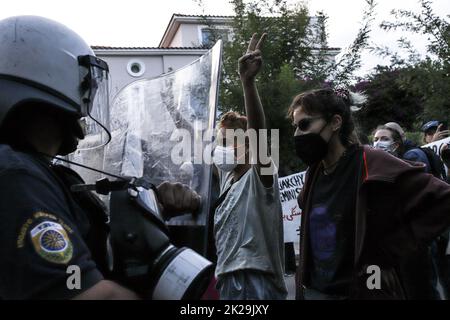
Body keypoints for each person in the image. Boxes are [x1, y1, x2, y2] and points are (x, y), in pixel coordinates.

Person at [0, 16, 201, 300]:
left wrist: (152, 209)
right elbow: (84, 292)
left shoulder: (44, 173)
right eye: (86, 86)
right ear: (48, 76)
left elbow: (93, 247)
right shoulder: (15, 175)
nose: (88, 102)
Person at [288, 88, 450, 299]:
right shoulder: (315, 171)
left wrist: (391, 253)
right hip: (315, 291)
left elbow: (443, 199)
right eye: (295, 127)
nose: (297, 134)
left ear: (335, 122)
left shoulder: (373, 162)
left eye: (304, 124)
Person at [212, 33, 287, 300]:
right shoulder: (226, 181)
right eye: (220, 142)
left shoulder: (261, 176)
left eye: (229, 141)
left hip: (258, 283)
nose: (222, 148)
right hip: (227, 281)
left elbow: (258, 132)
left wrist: (247, 83)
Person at [373, 125, 442, 299]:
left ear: (396, 145)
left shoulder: (408, 169)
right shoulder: (371, 173)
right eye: (375, 139)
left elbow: (438, 200)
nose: (378, 143)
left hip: (412, 251)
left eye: (384, 139)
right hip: (383, 255)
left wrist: (418, 237)